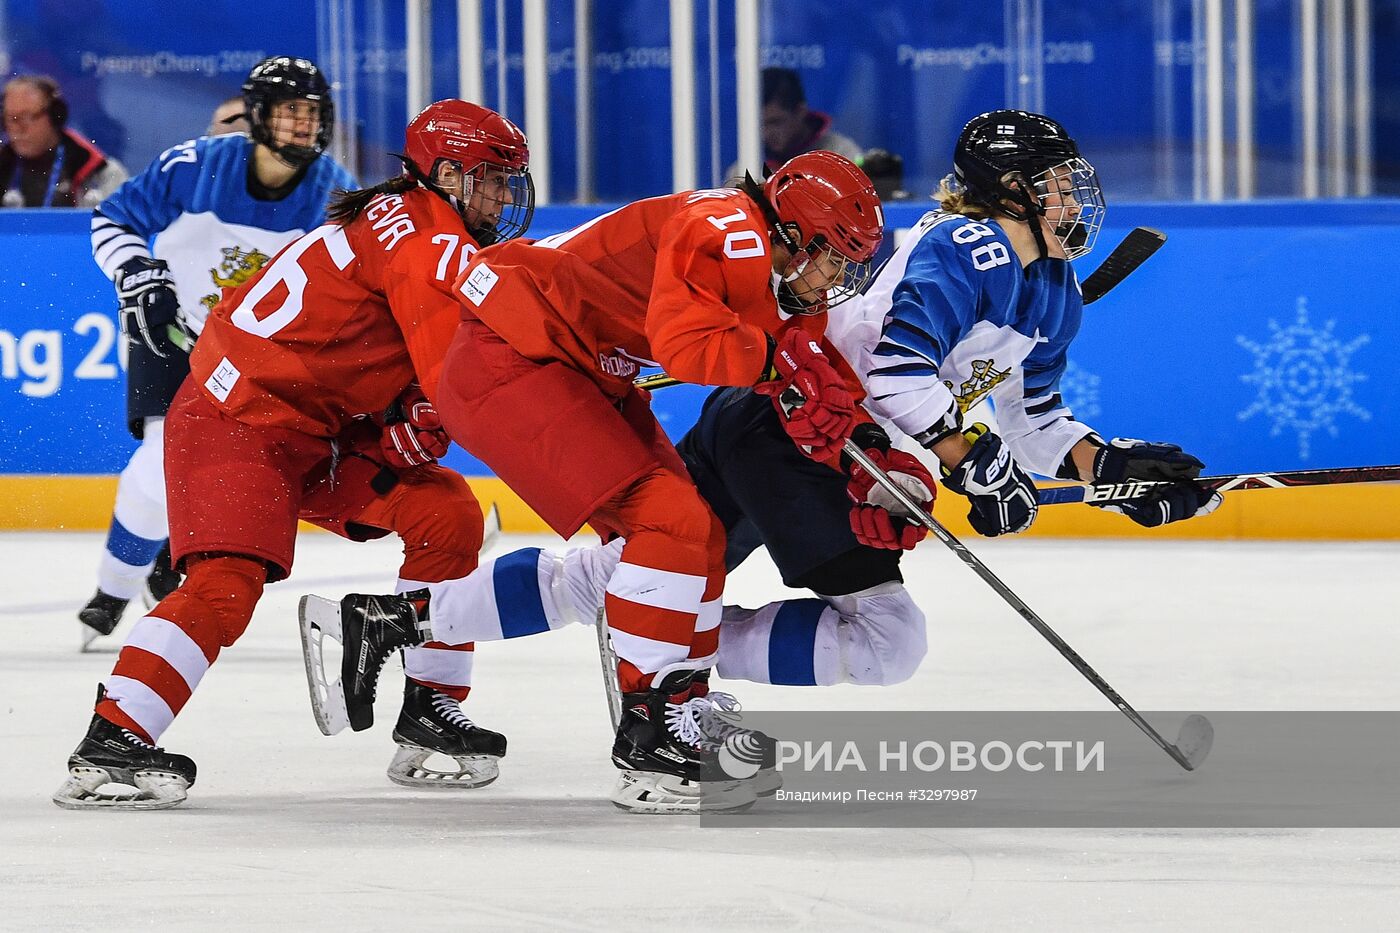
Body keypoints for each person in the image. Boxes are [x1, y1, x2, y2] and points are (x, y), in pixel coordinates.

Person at [306, 111, 1224, 785]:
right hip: (788, 434)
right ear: (1013, 189)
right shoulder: (971, 247)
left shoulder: (1051, 291)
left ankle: (412, 625)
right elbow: (892, 370)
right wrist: (955, 450)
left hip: (813, 431)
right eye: (1058, 180)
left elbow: (1036, 421)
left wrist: (1110, 468)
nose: (1074, 195)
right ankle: (668, 701)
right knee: (874, 635)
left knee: (649, 566)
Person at [300, 150, 885, 814]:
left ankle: (396, 622)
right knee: (670, 520)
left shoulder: (774, 273)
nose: (836, 276)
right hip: (511, 353)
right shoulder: (729, 227)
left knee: (694, 536)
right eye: (833, 255)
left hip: (570, 363)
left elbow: (817, 389)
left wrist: (867, 448)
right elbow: (685, 343)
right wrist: (779, 359)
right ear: (794, 232)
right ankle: (649, 735)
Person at [51, 97, 535, 811]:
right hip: (236, 419)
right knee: (226, 584)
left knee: (447, 513)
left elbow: (407, 362)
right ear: (449, 174)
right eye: (492, 177)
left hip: (310, 426)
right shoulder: (429, 241)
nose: (503, 193)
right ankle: (113, 736)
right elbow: (458, 387)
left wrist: (412, 417)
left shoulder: (412, 216)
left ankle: (430, 709)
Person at [76, 56, 354, 652]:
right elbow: (112, 219)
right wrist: (135, 276)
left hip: (255, 359)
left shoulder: (336, 193)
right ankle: (116, 583)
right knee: (155, 466)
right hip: (173, 333)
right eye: (289, 114)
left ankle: (152, 565)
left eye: (313, 114)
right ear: (256, 118)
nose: (304, 127)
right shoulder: (195, 166)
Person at [0, 74, 126, 207]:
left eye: (27, 117)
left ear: (55, 116)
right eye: (11, 118)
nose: (18, 129)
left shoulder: (103, 175)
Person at [724, 67, 864, 183]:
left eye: (775, 122)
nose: (766, 133)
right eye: (760, 124)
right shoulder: (743, 170)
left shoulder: (843, 157)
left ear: (800, 112)